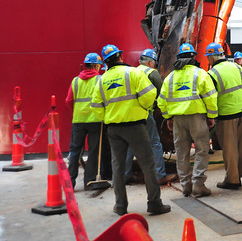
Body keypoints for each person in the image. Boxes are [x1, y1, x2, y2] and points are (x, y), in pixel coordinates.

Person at [91, 44, 170, 216]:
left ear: (106, 62)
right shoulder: (133, 73)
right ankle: (154, 203)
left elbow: (96, 108)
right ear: (120, 56)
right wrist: (142, 108)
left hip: (114, 129)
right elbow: (150, 95)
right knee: (148, 165)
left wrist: (109, 117)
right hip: (135, 126)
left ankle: (120, 206)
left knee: (118, 168)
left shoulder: (102, 80)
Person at [158, 43, 218, 198]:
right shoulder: (201, 74)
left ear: (178, 58)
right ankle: (198, 185)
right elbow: (211, 96)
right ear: (193, 57)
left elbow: (161, 101)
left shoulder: (170, 77)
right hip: (197, 118)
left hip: (178, 120)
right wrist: (211, 115)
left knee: (182, 153)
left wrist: (168, 117)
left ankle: (186, 186)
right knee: (201, 150)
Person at [125, 49, 177, 185]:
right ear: (150, 62)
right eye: (153, 63)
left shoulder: (132, 72)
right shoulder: (152, 73)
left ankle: (125, 175)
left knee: (131, 144)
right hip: (145, 113)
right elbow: (161, 95)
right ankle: (160, 174)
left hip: (130, 114)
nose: (154, 65)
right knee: (155, 143)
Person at [206, 42, 242, 190]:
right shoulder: (237, 67)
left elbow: (211, 97)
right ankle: (239, 175)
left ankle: (232, 180)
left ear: (212, 58)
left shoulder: (212, 74)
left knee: (230, 149)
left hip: (227, 115)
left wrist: (211, 116)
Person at [65, 53, 112, 190]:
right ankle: (89, 181)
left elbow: (68, 101)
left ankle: (70, 183)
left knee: (74, 151)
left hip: (78, 120)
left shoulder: (75, 81)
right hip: (95, 121)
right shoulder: (100, 80)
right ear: (97, 65)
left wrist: (77, 111)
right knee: (93, 151)